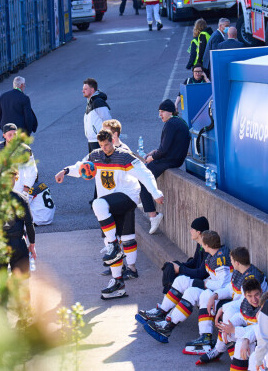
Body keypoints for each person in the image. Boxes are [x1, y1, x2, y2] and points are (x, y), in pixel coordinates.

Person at [55, 130, 163, 299]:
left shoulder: (124, 156)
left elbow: (145, 173)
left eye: (107, 144)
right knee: (112, 238)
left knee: (104, 213)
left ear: (113, 140)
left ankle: (122, 256)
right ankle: (118, 283)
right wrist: (65, 171)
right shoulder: (95, 156)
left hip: (127, 197)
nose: (104, 148)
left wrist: (155, 192)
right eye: (101, 145)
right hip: (109, 203)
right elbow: (80, 167)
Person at [140, 231, 230, 345]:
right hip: (212, 287)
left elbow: (223, 284)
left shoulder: (221, 258)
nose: (201, 245)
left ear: (207, 245)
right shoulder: (212, 255)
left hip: (221, 293)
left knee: (204, 295)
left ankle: (205, 337)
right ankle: (166, 325)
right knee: (187, 288)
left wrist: (205, 284)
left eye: (202, 243)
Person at [142, 99, 191, 234]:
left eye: (162, 111)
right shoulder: (179, 121)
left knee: (144, 177)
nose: (160, 115)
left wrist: (152, 156)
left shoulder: (170, 124)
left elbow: (163, 150)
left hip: (170, 161)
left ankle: (153, 216)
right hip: (176, 159)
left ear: (170, 111)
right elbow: (166, 147)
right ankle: (146, 201)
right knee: (146, 177)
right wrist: (155, 152)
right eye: (159, 112)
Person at [197, 278, 267, 366]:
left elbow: (258, 329)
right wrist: (229, 325)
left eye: (256, 295)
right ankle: (218, 350)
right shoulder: (245, 302)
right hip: (249, 336)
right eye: (250, 296)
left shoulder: (266, 305)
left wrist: (234, 330)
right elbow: (241, 316)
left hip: (262, 344)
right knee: (225, 326)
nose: (254, 300)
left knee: (240, 343)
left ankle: (239, 362)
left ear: (261, 291)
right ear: (244, 295)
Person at [0, 183, 36, 278]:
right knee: (21, 282)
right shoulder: (21, 198)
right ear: (15, 179)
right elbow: (29, 224)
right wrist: (32, 244)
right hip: (17, 243)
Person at [160, 216, 210, 294]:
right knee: (170, 265)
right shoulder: (199, 244)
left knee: (177, 275)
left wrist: (180, 269)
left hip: (200, 279)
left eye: (192, 229)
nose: (190, 231)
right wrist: (177, 265)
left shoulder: (207, 248)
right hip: (196, 271)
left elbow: (201, 273)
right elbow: (194, 262)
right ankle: (168, 294)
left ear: (198, 232)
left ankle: (169, 295)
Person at [0, 123, 38, 195]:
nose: (13, 137)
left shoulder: (25, 150)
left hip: (19, 190)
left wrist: (25, 191)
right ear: (4, 135)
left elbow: (32, 171)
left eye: (15, 134)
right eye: (10, 135)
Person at [83, 78, 111, 154]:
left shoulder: (98, 102)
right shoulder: (90, 103)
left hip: (99, 141)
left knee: (100, 165)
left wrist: (107, 138)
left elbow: (108, 120)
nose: (83, 91)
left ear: (92, 90)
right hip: (92, 141)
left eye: (85, 89)